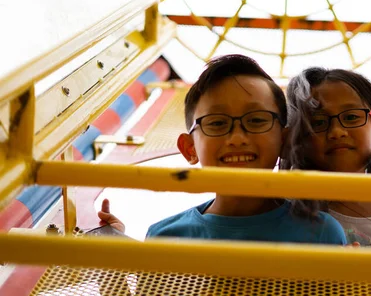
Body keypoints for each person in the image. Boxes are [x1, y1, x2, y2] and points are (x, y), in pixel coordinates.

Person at [98, 55, 346, 245]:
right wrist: (114, 265)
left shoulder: (321, 234)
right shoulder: (166, 237)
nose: (237, 138)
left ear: (285, 139)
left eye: (257, 120)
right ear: (189, 148)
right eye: (217, 123)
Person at [280, 67, 371, 247]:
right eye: (318, 122)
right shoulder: (288, 215)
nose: (336, 131)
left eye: (351, 117)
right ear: (297, 141)